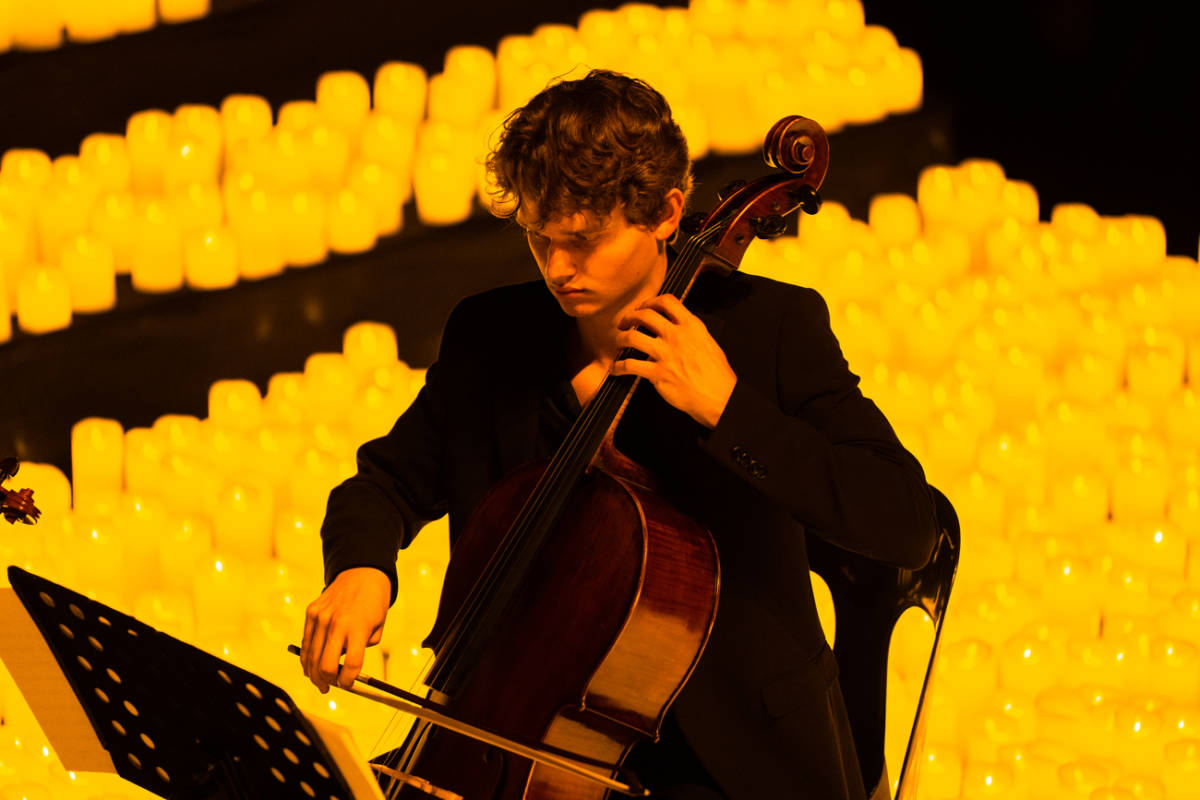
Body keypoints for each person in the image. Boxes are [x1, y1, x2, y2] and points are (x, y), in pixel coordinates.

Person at [300, 69, 938, 800]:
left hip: (735, 768)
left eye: (584, 240)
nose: (558, 270)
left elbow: (905, 523)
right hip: (520, 744)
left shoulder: (771, 332)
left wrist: (729, 407)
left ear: (667, 214)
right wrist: (360, 570)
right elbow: (383, 483)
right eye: (539, 238)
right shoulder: (490, 337)